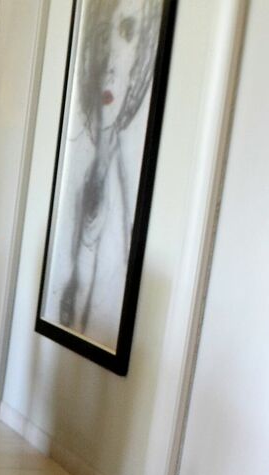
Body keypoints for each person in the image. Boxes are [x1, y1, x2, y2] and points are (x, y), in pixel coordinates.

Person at [48, 0, 163, 345]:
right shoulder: (73, 174)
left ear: (141, 55)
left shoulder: (124, 190)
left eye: (127, 33)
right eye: (101, 37)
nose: (110, 62)